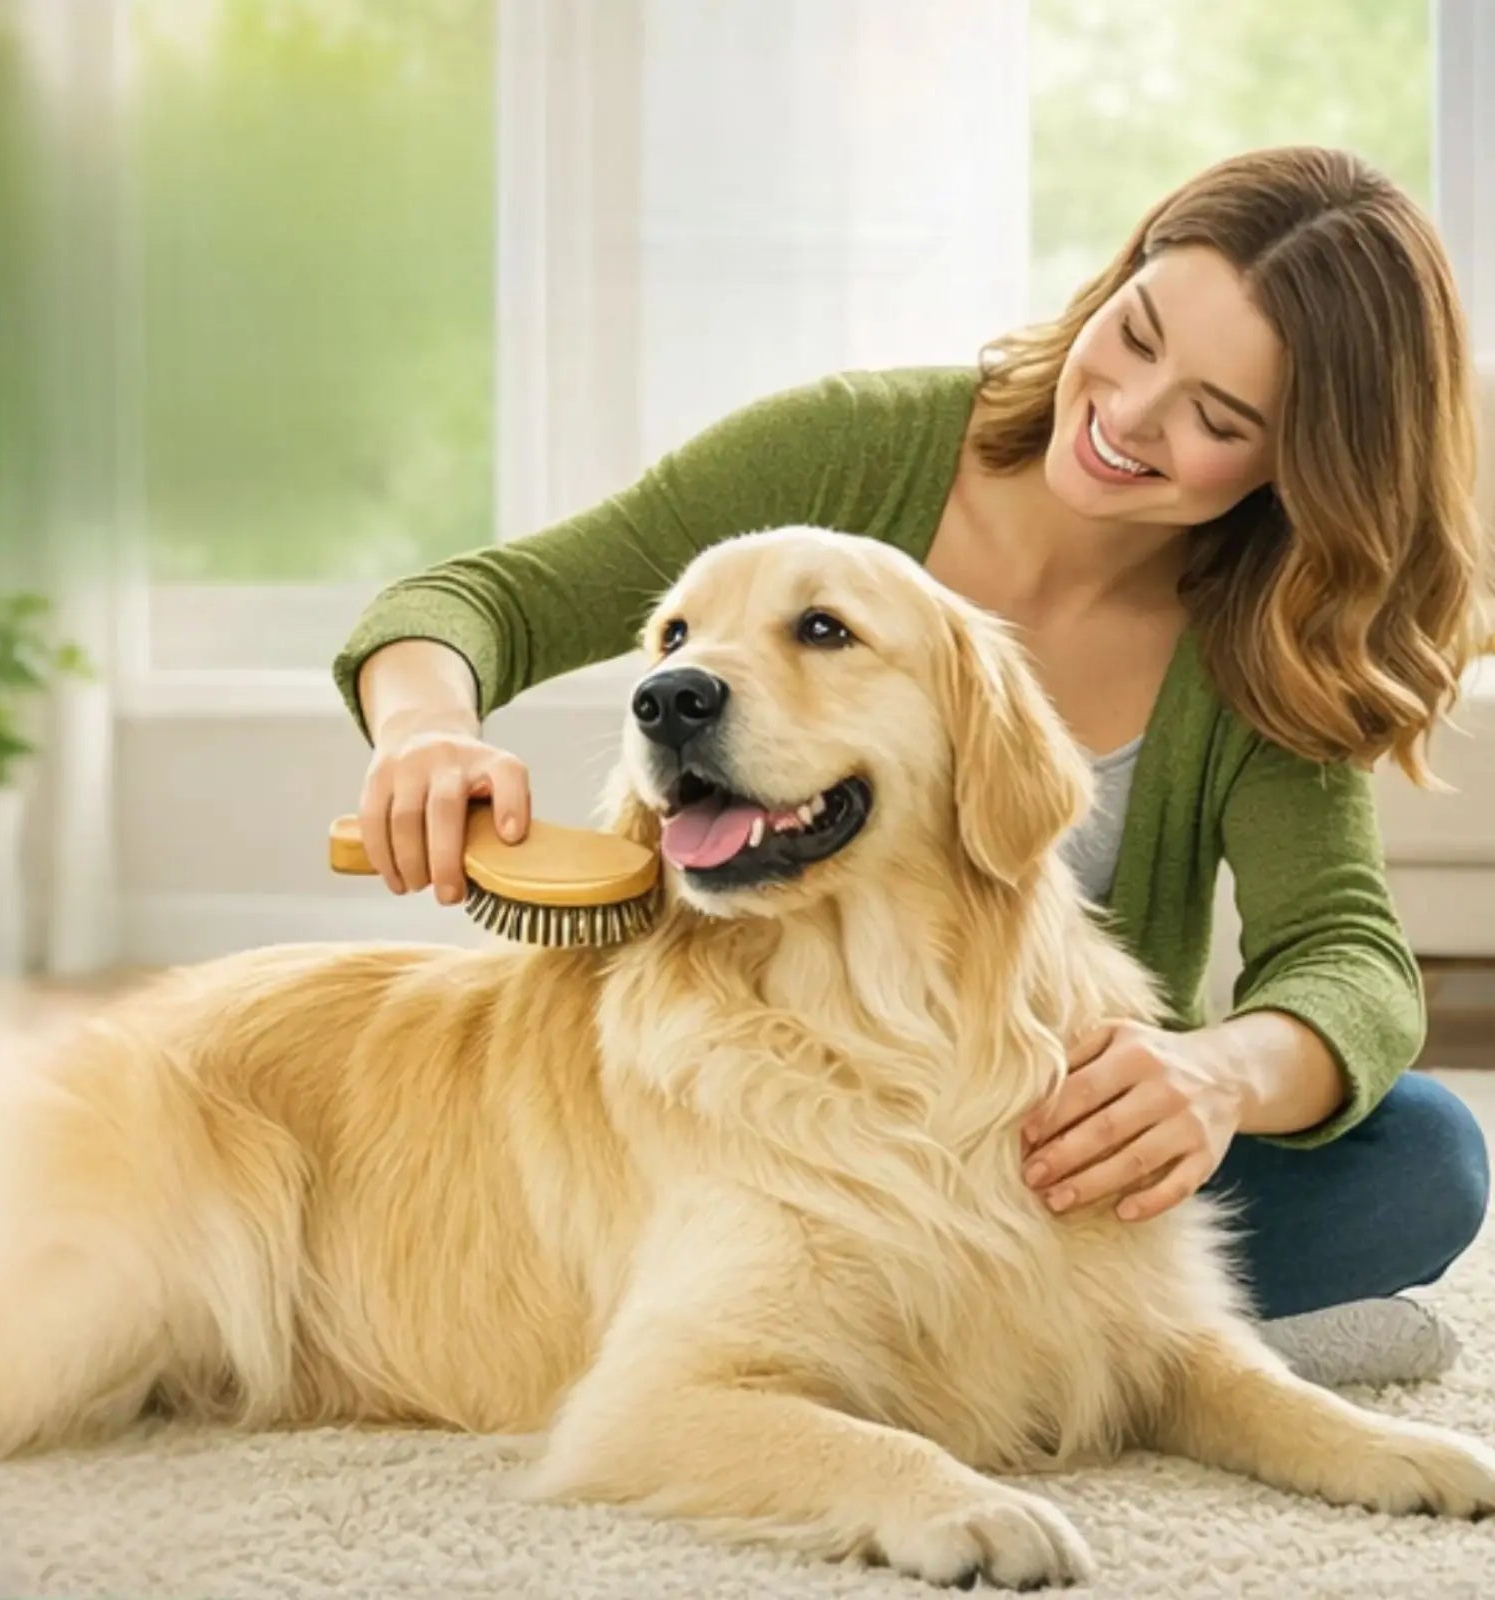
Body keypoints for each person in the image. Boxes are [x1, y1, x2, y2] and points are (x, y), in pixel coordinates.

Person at [332, 146, 1491, 1386]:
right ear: (1114, 279)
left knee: (1419, 1157)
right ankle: (1080, 1353)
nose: (1128, 416)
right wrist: (422, 728)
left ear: (1296, 462)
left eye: (1217, 418)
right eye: (1134, 332)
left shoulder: (1265, 629)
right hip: (757, 1111)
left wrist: (1213, 1072)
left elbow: (1345, 953)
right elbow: (482, 601)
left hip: (1027, 1137)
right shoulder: (852, 451)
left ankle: (1034, 1346)